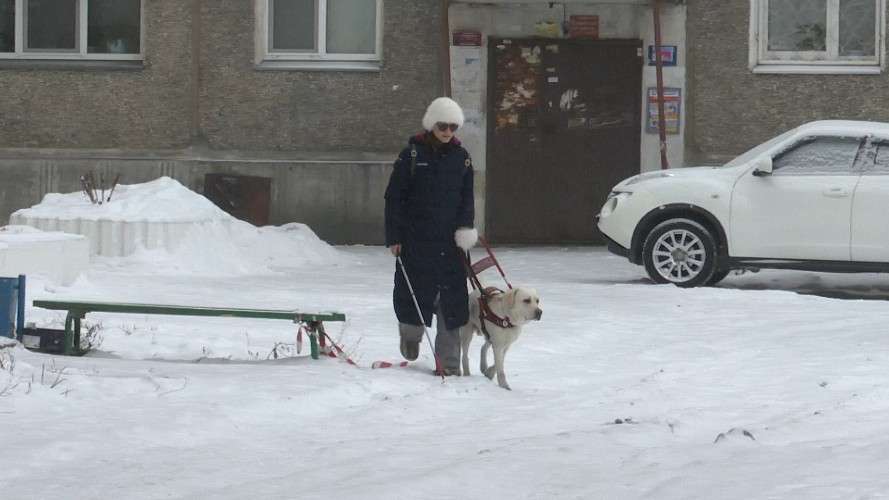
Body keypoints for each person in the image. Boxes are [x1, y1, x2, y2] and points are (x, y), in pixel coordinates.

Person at [384, 97, 477, 376]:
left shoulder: (462, 158)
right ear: (431, 124)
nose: (447, 131)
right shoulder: (411, 155)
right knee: (413, 294)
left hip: (450, 243)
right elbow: (394, 198)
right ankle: (410, 336)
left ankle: (449, 364)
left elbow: (467, 199)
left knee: (451, 302)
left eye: (453, 126)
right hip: (416, 240)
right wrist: (394, 236)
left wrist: (466, 229)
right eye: (442, 125)